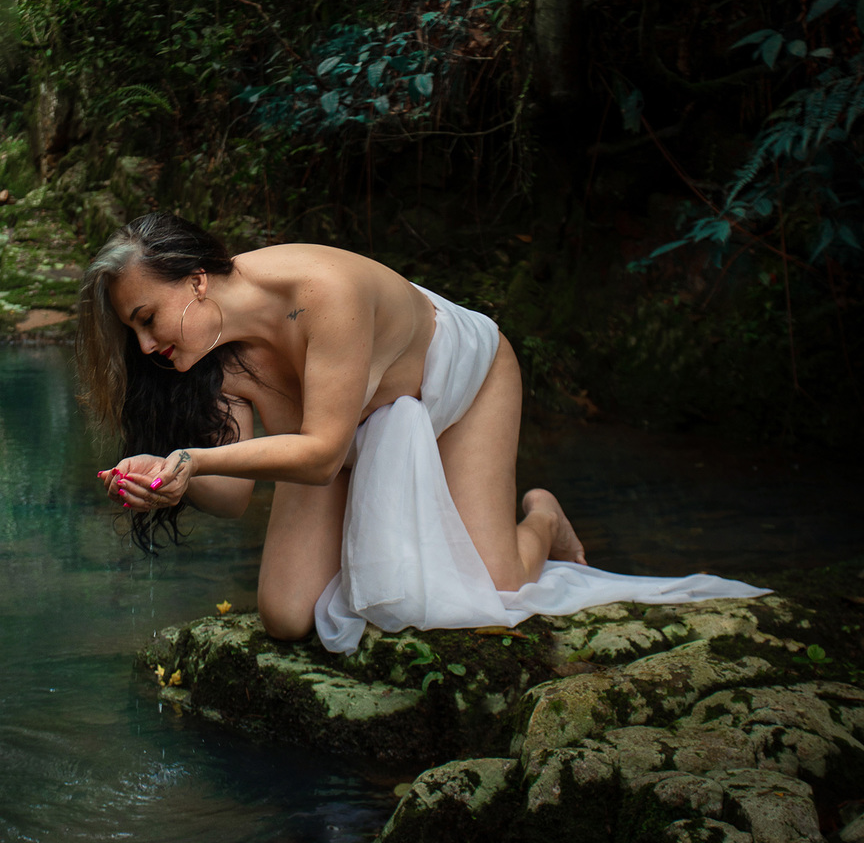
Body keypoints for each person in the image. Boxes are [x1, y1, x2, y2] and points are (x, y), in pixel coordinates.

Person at [75, 212, 763, 653]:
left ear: (196, 281)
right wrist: (168, 479)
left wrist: (192, 456)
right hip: (339, 433)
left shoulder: (322, 292)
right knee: (286, 617)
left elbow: (318, 456)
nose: (142, 345)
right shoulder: (204, 355)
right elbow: (232, 495)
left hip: (457, 382)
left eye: (145, 318)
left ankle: (542, 519)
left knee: (497, 585)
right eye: (131, 329)